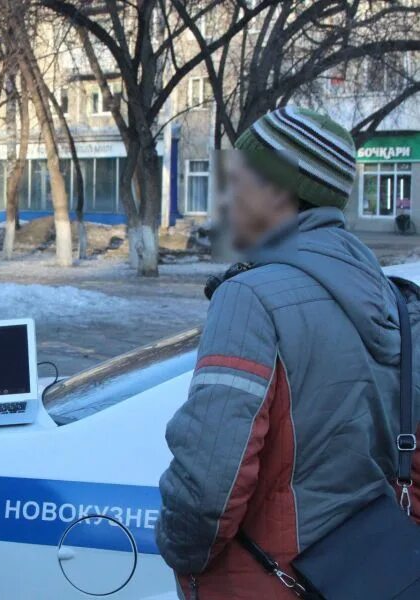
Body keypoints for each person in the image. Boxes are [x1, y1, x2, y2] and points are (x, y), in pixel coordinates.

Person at [155, 107, 420, 599]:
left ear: (277, 191)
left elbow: (211, 479)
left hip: (268, 580)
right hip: (367, 576)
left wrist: (181, 553)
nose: (226, 196)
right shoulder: (394, 298)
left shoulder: (251, 298)